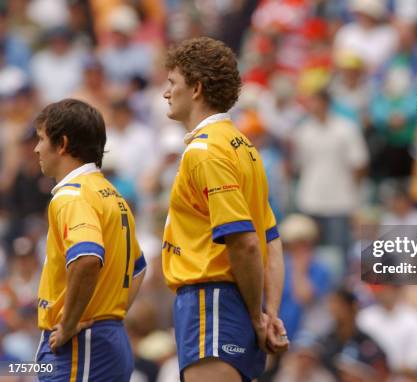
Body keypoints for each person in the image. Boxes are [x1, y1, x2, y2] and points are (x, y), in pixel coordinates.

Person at [161, 36, 288, 382]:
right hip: (233, 304)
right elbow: (271, 239)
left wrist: (257, 315)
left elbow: (246, 242)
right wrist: (269, 310)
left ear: (197, 88)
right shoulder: (245, 148)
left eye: (172, 82)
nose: (165, 92)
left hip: (211, 303)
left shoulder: (205, 151)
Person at [34, 99, 147, 381]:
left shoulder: (72, 195)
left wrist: (70, 323)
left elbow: (86, 259)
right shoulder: (112, 196)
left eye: (41, 139)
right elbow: (138, 268)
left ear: (62, 144)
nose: (36, 149)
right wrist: (110, 312)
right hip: (105, 338)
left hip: (80, 345)